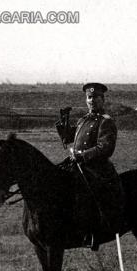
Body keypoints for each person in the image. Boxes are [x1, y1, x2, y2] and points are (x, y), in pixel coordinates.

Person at [55, 83, 124, 250]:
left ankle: (94, 232)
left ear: (102, 100)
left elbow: (105, 148)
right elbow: (69, 139)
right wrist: (63, 122)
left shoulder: (105, 121)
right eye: (89, 97)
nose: (92, 101)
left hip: (97, 168)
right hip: (78, 165)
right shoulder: (83, 120)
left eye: (96, 98)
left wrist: (82, 156)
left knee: (87, 193)